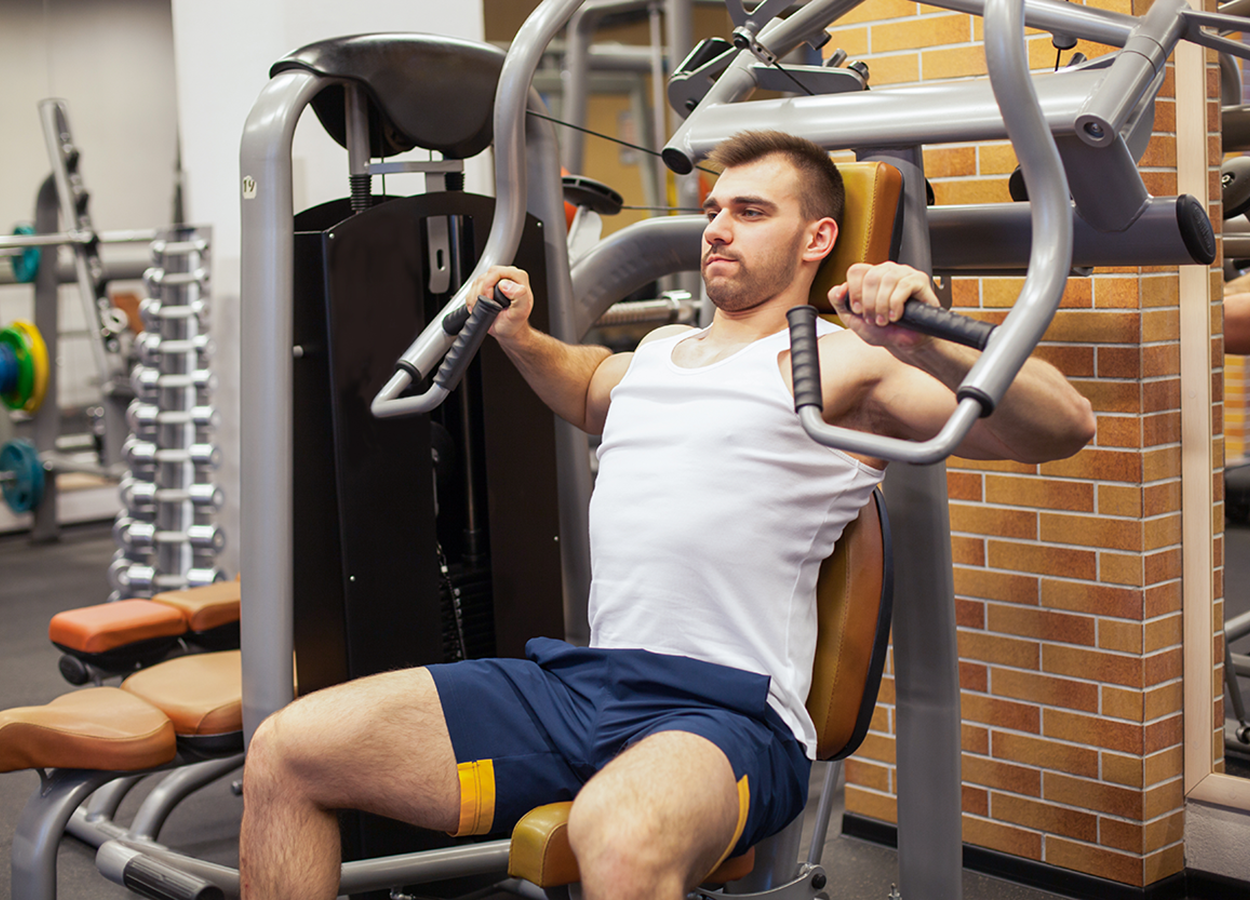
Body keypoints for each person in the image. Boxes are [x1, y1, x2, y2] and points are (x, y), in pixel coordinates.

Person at [238, 131, 1095, 900]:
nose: (715, 228)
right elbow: (584, 386)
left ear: (817, 238)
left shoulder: (841, 367)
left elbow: (1062, 427)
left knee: (615, 831)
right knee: (288, 751)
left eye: (749, 211)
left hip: (724, 714)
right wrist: (522, 337)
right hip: (578, 684)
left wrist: (924, 338)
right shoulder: (656, 352)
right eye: (713, 209)